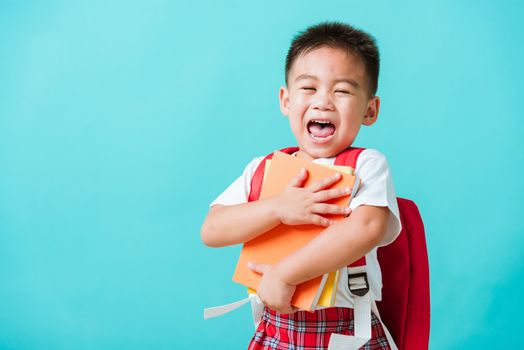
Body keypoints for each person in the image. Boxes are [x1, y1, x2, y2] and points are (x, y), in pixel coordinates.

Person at [201, 21, 401, 349]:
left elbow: (367, 227)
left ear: (370, 110)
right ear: (286, 100)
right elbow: (212, 229)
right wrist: (279, 208)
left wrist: (284, 274)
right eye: (309, 88)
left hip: (348, 334)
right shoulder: (263, 169)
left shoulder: (367, 165)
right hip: (275, 330)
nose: (323, 102)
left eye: (342, 90)